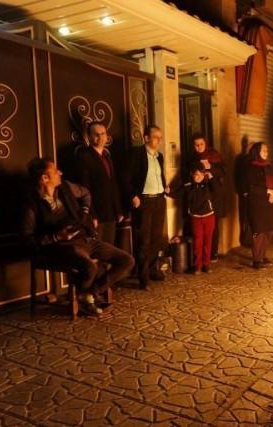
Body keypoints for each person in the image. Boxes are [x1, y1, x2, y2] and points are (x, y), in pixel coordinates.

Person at [22, 158, 134, 315]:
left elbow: (86, 193)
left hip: (85, 238)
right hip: (62, 246)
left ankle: (88, 294)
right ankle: (87, 298)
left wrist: (84, 212)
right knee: (90, 267)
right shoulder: (31, 204)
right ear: (45, 178)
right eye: (55, 171)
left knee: (127, 260)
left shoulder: (65, 187)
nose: (60, 172)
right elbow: (27, 239)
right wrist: (57, 237)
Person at [127, 125, 169, 290]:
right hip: (144, 201)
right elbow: (126, 177)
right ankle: (143, 276)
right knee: (144, 240)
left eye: (160, 137)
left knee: (156, 238)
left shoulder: (159, 156)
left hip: (159, 200)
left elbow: (159, 175)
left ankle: (152, 268)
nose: (159, 140)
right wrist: (133, 196)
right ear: (146, 138)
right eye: (156, 137)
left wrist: (164, 188)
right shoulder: (136, 154)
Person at [75, 121, 123, 245]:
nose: (100, 137)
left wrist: (118, 210)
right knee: (97, 250)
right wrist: (92, 215)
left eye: (103, 133)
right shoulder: (84, 156)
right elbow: (84, 188)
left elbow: (113, 184)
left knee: (109, 248)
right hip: (96, 213)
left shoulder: (107, 155)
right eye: (96, 134)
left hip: (110, 212)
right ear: (89, 137)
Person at [190, 134, 227, 262]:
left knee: (213, 225)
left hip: (214, 194)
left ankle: (213, 253)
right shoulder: (193, 158)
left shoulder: (214, 155)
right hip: (200, 196)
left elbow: (224, 171)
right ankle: (201, 256)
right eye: (196, 145)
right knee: (200, 229)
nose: (199, 147)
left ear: (206, 144)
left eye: (201, 144)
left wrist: (211, 169)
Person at [245, 142, 273, 269]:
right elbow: (251, 187)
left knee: (268, 230)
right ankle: (257, 259)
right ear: (256, 152)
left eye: (267, 150)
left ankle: (263, 255)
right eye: (264, 150)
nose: (266, 152)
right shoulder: (251, 167)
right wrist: (268, 192)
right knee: (258, 231)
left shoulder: (269, 166)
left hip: (269, 202)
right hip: (257, 203)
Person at [185, 162, 215, 275]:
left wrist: (211, 178)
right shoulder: (189, 186)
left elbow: (217, 189)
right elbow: (180, 193)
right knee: (198, 242)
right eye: (197, 174)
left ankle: (206, 264)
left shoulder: (208, 184)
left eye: (201, 174)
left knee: (208, 241)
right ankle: (197, 265)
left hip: (209, 216)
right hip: (196, 218)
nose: (199, 177)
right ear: (192, 174)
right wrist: (167, 192)